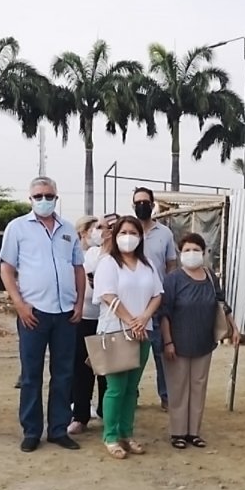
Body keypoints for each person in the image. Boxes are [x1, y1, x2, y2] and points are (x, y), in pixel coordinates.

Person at [0, 176, 86, 453]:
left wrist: (80, 304)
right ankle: (32, 431)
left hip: (65, 314)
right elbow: (7, 269)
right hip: (33, 312)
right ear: (30, 198)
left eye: (48, 195)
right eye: (38, 196)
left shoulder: (68, 229)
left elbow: (78, 268)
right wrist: (19, 304)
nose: (44, 200)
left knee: (63, 374)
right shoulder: (17, 228)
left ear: (56, 197)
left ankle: (59, 429)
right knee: (31, 374)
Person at [92, 215, 164, 459]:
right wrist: (131, 319)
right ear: (115, 236)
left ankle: (126, 432)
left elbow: (157, 294)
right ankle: (110, 436)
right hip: (115, 330)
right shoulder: (108, 263)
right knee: (116, 387)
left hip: (142, 332)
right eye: (123, 233)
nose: (128, 238)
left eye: (133, 233)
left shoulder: (148, 264)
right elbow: (107, 295)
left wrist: (144, 318)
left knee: (132, 387)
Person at [160, 233, 240, 449]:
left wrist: (234, 327)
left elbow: (221, 302)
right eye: (186, 250)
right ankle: (178, 432)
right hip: (177, 344)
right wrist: (168, 342)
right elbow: (164, 313)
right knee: (178, 388)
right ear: (180, 253)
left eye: (196, 249)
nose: (191, 254)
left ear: (204, 253)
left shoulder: (210, 277)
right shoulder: (173, 279)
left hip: (204, 342)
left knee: (198, 386)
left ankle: (193, 431)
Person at [68, 213, 115, 434]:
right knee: (82, 369)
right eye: (98, 227)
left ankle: (108, 412)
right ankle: (80, 415)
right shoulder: (90, 254)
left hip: (108, 321)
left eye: (107, 228)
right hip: (84, 318)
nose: (102, 231)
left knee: (106, 370)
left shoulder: (119, 256)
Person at [133, 187, 177, 410]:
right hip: (132, 305)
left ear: (153, 204)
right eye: (137, 202)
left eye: (145, 202)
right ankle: (132, 394)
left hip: (158, 302)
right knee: (132, 354)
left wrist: (167, 295)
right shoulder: (127, 232)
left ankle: (166, 396)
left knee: (162, 352)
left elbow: (171, 265)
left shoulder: (165, 234)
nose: (142, 205)